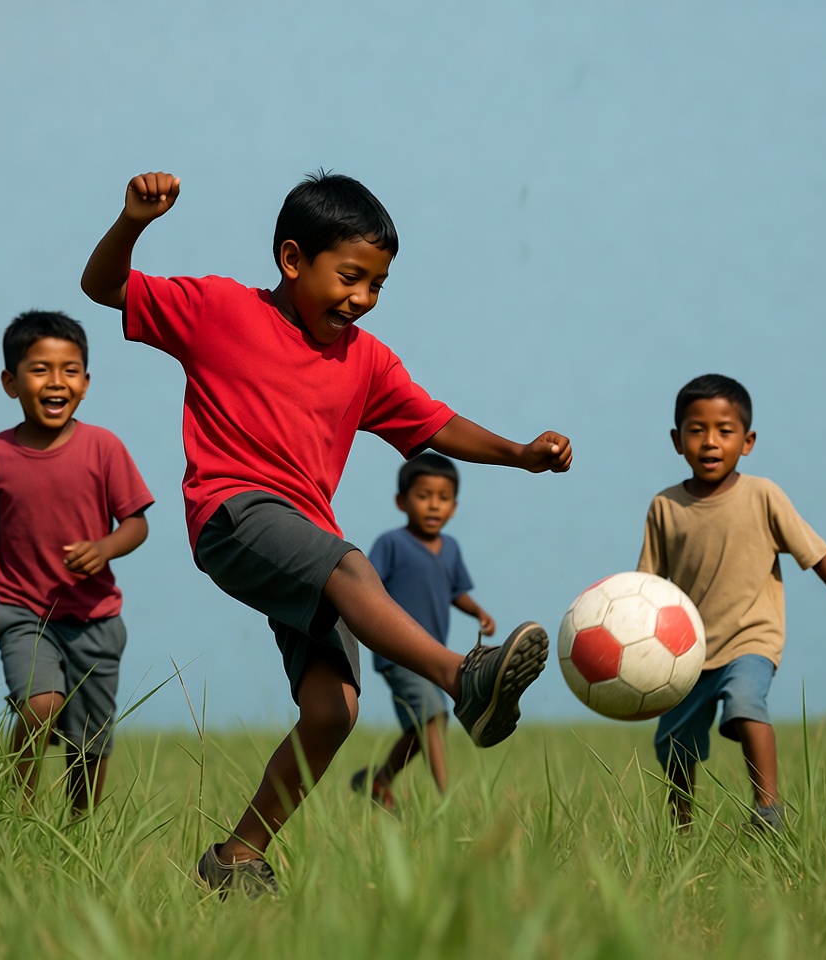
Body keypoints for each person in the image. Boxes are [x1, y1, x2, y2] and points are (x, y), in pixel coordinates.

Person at [81, 170, 571, 897]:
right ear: (291, 259)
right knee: (349, 568)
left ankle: (236, 858)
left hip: (305, 540)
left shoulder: (364, 359)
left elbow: (434, 421)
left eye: (376, 286)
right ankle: (459, 676)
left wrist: (520, 453)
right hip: (232, 514)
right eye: (349, 277)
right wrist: (132, 222)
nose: (362, 300)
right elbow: (103, 287)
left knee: (333, 711)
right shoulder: (217, 308)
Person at [637, 373, 826, 831]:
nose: (710, 441)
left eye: (724, 430)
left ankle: (768, 810)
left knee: (745, 701)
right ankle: (682, 829)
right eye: (696, 429)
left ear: (747, 441)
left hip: (751, 637)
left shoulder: (763, 495)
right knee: (674, 742)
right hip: (686, 652)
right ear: (676, 440)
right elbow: (646, 589)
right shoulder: (664, 507)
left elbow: (815, 550)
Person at [0, 311, 153, 812]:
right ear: (10, 382)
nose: (56, 381)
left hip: (96, 619)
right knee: (40, 705)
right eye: (40, 368)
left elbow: (136, 523)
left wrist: (104, 548)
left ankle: (78, 827)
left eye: (70, 370)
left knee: (90, 742)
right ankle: (17, 809)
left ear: (85, 384)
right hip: (24, 613)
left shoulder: (103, 448)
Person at [351, 453, 496, 809]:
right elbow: (365, 587)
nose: (434, 505)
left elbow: (454, 591)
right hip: (397, 653)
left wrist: (477, 611)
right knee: (434, 715)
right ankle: (447, 800)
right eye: (424, 495)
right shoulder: (392, 544)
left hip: (433, 656)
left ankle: (378, 781)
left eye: (443, 498)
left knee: (422, 726)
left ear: (454, 507)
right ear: (402, 501)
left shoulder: (450, 549)